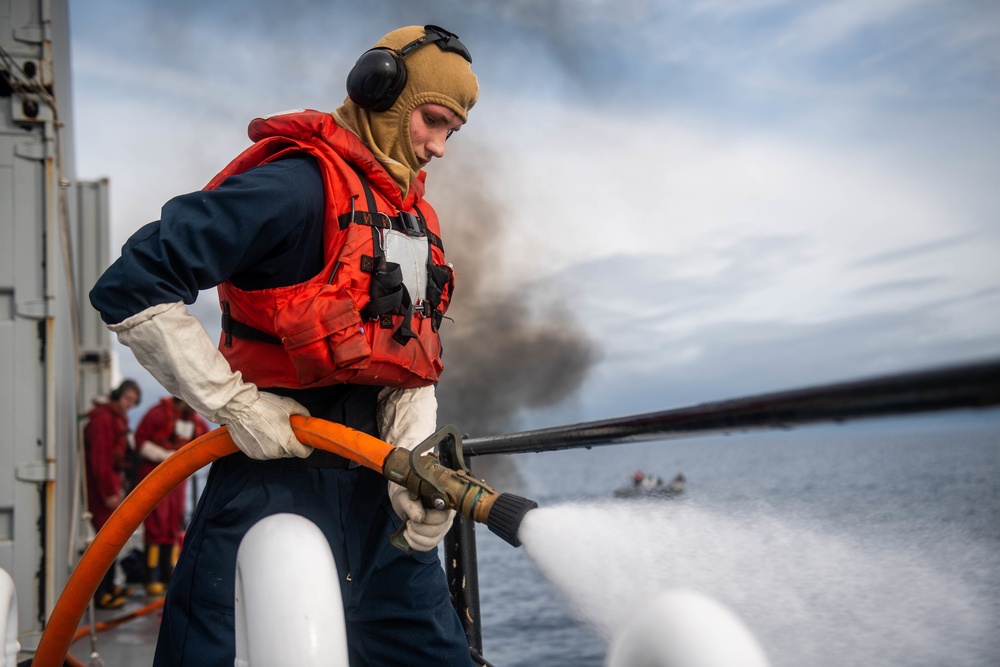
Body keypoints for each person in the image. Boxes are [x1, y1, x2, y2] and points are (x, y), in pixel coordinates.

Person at [89, 24, 478, 666]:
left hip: (379, 497)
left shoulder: (412, 220)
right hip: (269, 477)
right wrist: (237, 405)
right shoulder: (295, 188)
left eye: (452, 133)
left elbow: (410, 356)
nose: (438, 146)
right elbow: (133, 284)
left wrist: (414, 465)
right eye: (432, 121)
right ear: (380, 90)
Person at [133, 396, 210, 596]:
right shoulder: (157, 414)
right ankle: (150, 577)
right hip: (155, 475)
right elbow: (140, 441)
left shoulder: (194, 420)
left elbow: (207, 440)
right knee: (156, 525)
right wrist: (168, 458)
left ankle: (168, 576)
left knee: (172, 525)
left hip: (177, 479)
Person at [83, 379, 142, 609]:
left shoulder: (114, 418)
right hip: (102, 490)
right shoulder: (104, 419)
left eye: (133, 402)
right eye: (127, 399)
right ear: (118, 395)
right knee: (104, 541)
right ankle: (102, 594)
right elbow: (101, 458)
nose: (129, 405)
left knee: (110, 540)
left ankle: (109, 587)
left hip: (111, 486)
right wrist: (108, 492)